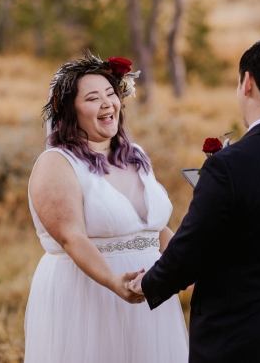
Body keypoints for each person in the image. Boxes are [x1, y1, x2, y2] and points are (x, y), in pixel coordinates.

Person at [130, 37, 260, 363]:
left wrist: (148, 284)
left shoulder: (228, 166)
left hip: (242, 340)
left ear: (248, 83)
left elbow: (191, 250)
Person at [24, 51, 189, 363]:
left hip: (149, 296)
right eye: (92, 98)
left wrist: (185, 264)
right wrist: (114, 282)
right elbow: (72, 237)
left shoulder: (136, 155)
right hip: (88, 297)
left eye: (111, 94)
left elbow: (153, 228)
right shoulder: (56, 164)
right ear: (69, 110)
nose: (106, 103)